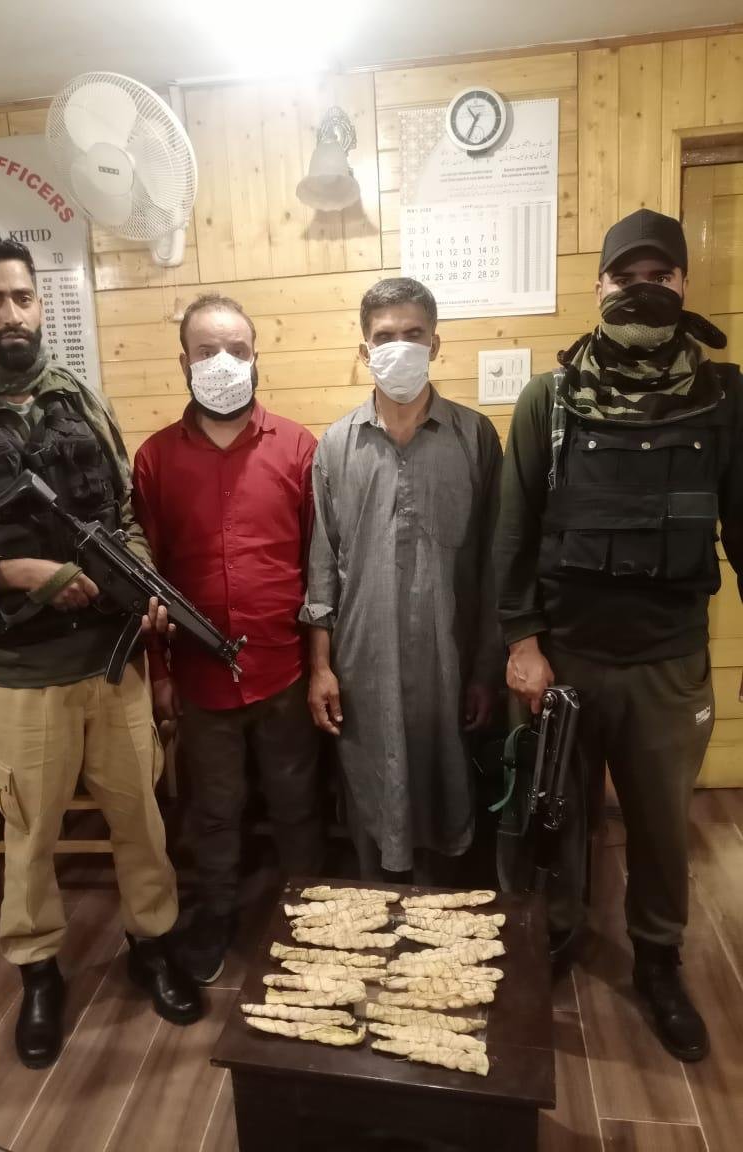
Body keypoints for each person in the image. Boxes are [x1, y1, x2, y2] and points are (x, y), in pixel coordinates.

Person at [0, 238, 201, 1070]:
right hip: (23, 679)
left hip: (113, 668)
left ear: (39, 303)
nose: (12, 314)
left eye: (22, 297)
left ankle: (153, 947)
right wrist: (8, 573)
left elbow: (124, 516)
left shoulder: (81, 402)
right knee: (28, 841)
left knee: (143, 824)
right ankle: (37, 973)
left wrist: (142, 585)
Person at [494, 209, 743, 1062]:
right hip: (567, 656)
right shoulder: (550, 397)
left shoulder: (725, 396)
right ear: (598, 285)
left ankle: (659, 962)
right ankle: (560, 932)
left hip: (668, 661)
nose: (642, 290)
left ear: (683, 283)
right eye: (625, 277)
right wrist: (523, 642)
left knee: (662, 826)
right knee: (556, 815)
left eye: (659, 276)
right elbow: (514, 531)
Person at [132, 293, 324, 984]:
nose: (222, 362)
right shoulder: (154, 459)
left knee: (299, 804)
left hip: (284, 668)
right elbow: (145, 575)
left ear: (255, 357)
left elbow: (321, 567)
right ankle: (214, 915)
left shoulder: (300, 447)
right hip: (199, 676)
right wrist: (159, 674)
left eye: (236, 350)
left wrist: (322, 664)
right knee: (212, 811)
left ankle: (310, 917)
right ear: (183, 361)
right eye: (207, 351)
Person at [302, 277, 503, 882]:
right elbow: (322, 567)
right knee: (374, 792)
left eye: (413, 334)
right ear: (364, 350)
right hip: (365, 666)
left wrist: (485, 670)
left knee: (449, 792)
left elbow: (492, 565)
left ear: (435, 344)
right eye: (384, 337)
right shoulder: (336, 445)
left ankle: (447, 916)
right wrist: (321, 668)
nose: (399, 347)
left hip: (450, 661)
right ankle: (375, 910)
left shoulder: (474, 437)